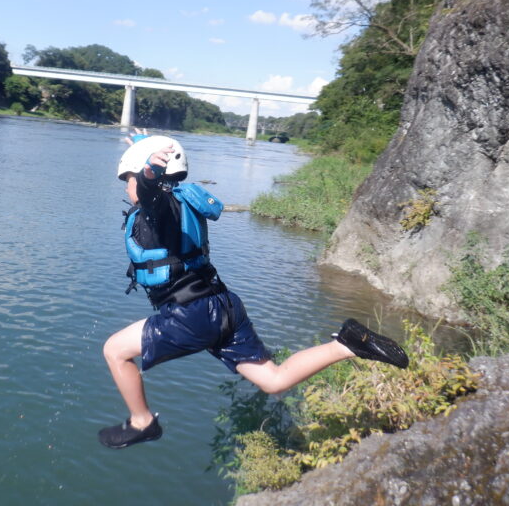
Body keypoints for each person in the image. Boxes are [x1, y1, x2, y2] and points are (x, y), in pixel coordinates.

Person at [98, 133, 409, 449]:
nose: (126, 187)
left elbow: (151, 193)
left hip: (191, 314)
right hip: (224, 305)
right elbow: (154, 190)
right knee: (273, 380)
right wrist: (143, 142)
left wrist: (148, 172)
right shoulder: (181, 201)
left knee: (114, 350)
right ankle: (348, 343)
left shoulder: (160, 207)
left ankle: (143, 422)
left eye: (128, 179)